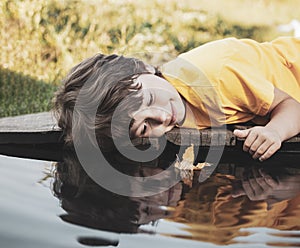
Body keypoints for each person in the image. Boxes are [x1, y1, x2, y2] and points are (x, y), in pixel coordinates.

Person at [54, 36, 300, 161]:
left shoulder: (217, 77)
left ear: (146, 67)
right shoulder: (170, 99)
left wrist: (275, 132)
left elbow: (291, 107)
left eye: (149, 98)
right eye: (144, 128)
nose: (161, 116)